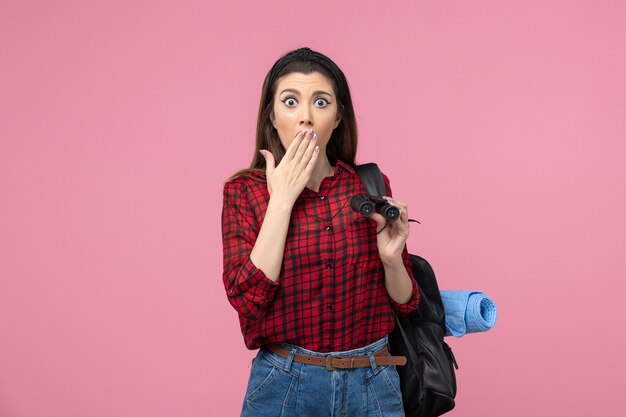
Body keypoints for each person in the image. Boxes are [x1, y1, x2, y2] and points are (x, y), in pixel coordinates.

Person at [221, 46, 420, 417]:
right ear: (272, 114)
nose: (306, 118)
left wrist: (392, 260)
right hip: (284, 383)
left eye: (322, 102)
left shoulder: (370, 186)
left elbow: (405, 303)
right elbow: (247, 300)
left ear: (339, 116)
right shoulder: (244, 192)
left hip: (373, 382)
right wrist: (281, 199)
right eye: (291, 101)